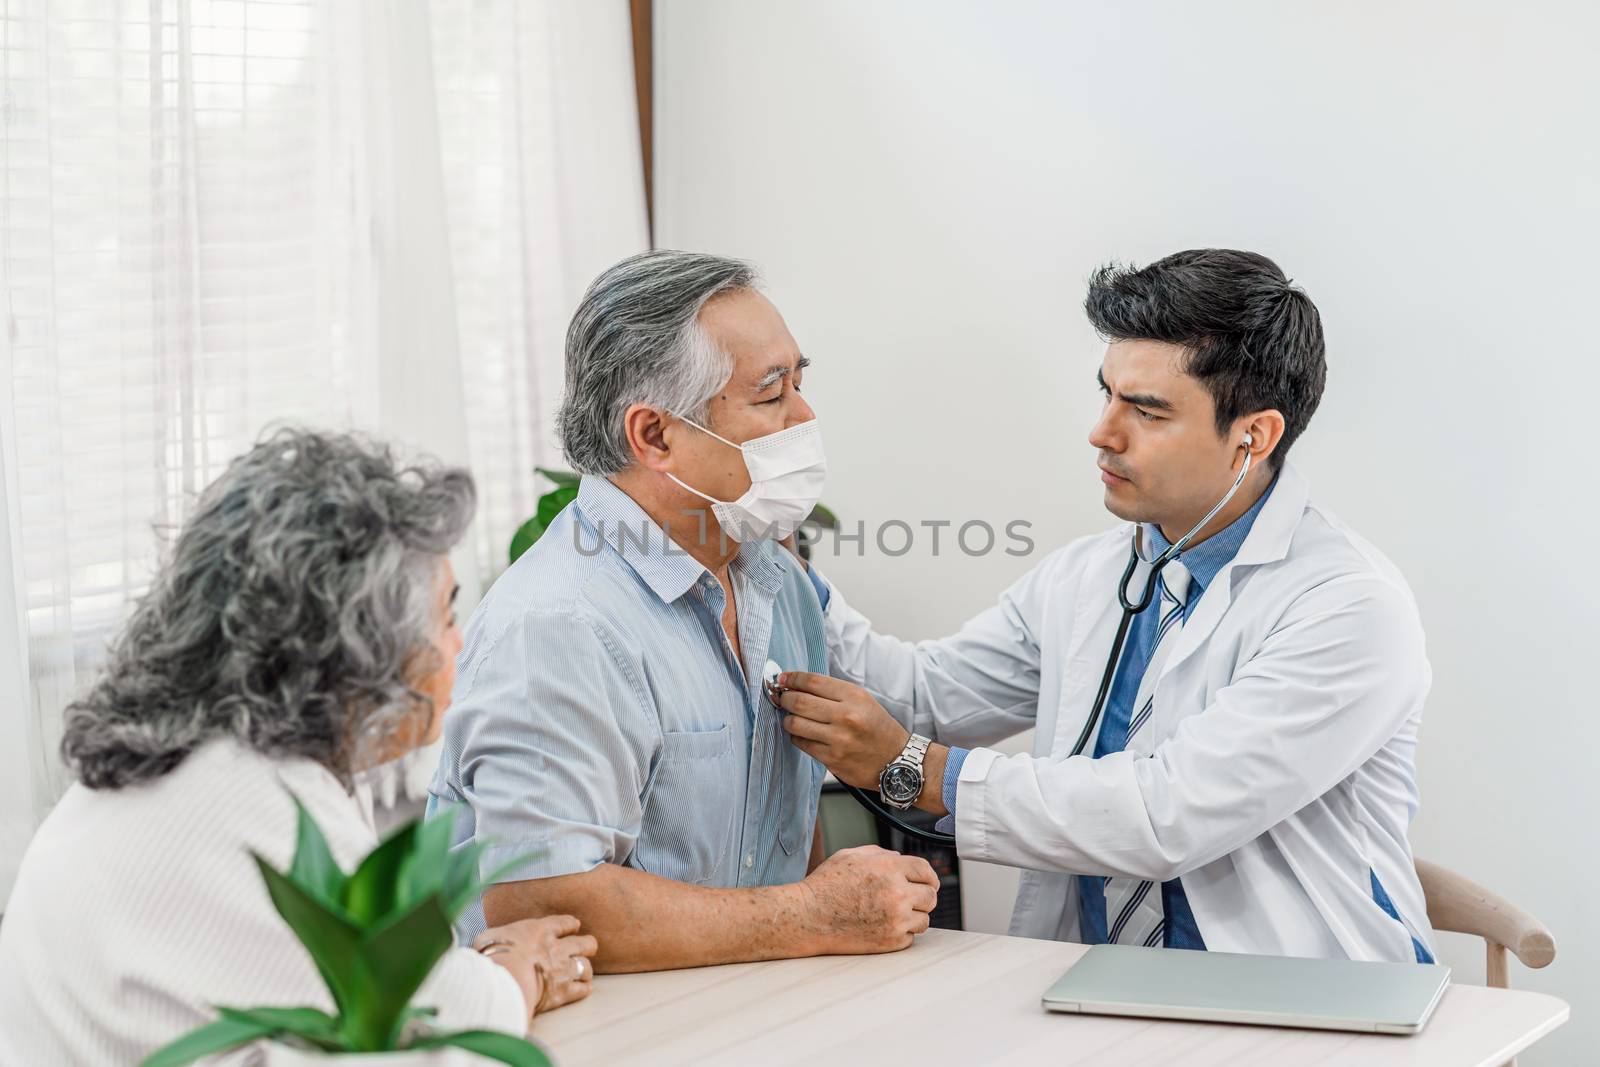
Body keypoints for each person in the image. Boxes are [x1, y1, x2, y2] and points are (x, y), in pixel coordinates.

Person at [776, 249, 1437, 963]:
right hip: (1100, 988)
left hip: (1307, 998)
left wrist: (919, 768)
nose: (1103, 432)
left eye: (1147, 411)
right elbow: (922, 693)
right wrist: (782, 565)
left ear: (1255, 434)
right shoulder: (1087, 576)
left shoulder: (1347, 606)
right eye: (1108, 394)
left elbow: (1166, 815)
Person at [0, 429, 596, 1066]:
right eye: (445, 616)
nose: (460, 644)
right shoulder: (248, 804)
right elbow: (442, 1031)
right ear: (359, 655)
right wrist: (518, 968)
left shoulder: (199, 759)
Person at [428, 250, 938, 973]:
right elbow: (542, 902)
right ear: (656, 436)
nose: (806, 416)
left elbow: (781, 841)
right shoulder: (556, 623)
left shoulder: (774, 579)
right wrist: (816, 913)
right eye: (771, 394)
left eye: (800, 382)